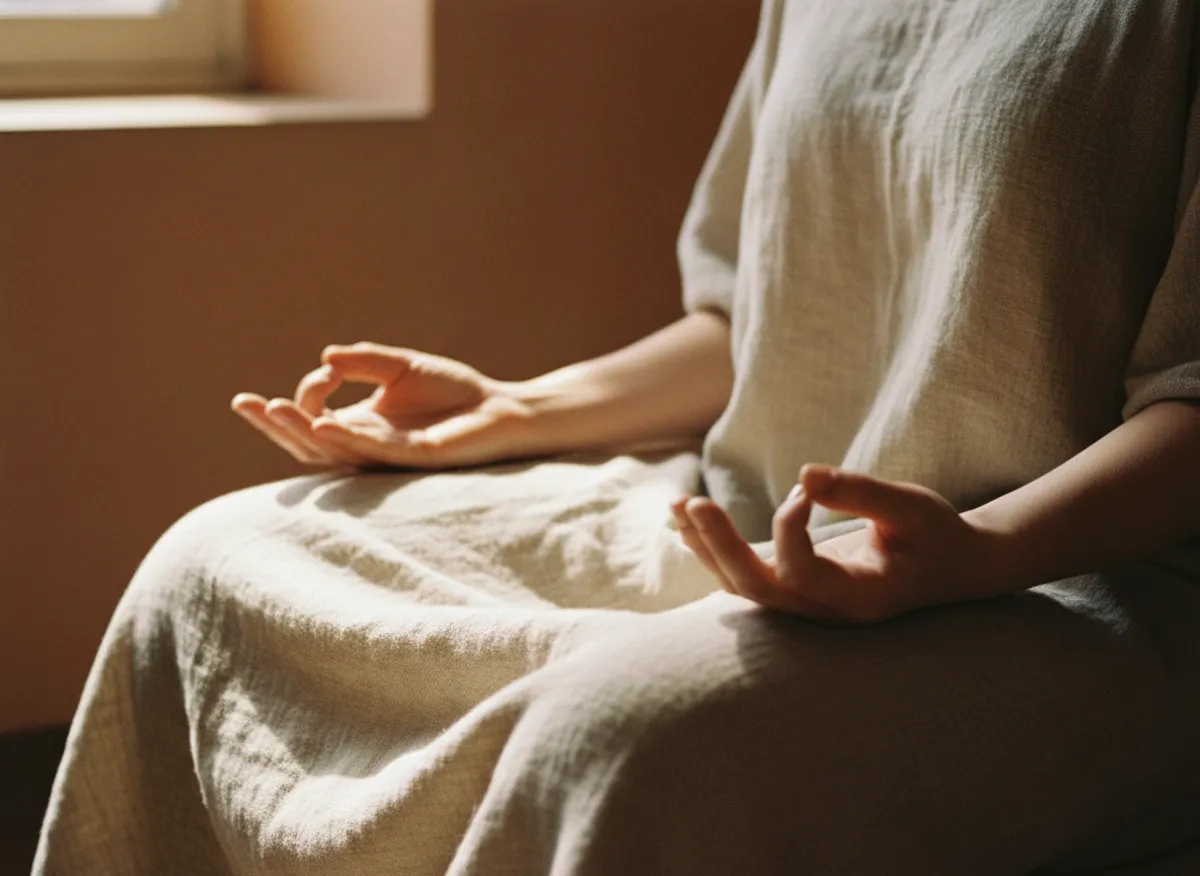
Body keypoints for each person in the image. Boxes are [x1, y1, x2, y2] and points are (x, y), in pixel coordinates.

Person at [35, 1, 1200, 873]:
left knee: (618, 741)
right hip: (744, 510)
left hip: (1069, 588)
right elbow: (756, 312)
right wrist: (517, 410)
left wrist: (985, 548)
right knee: (223, 564)